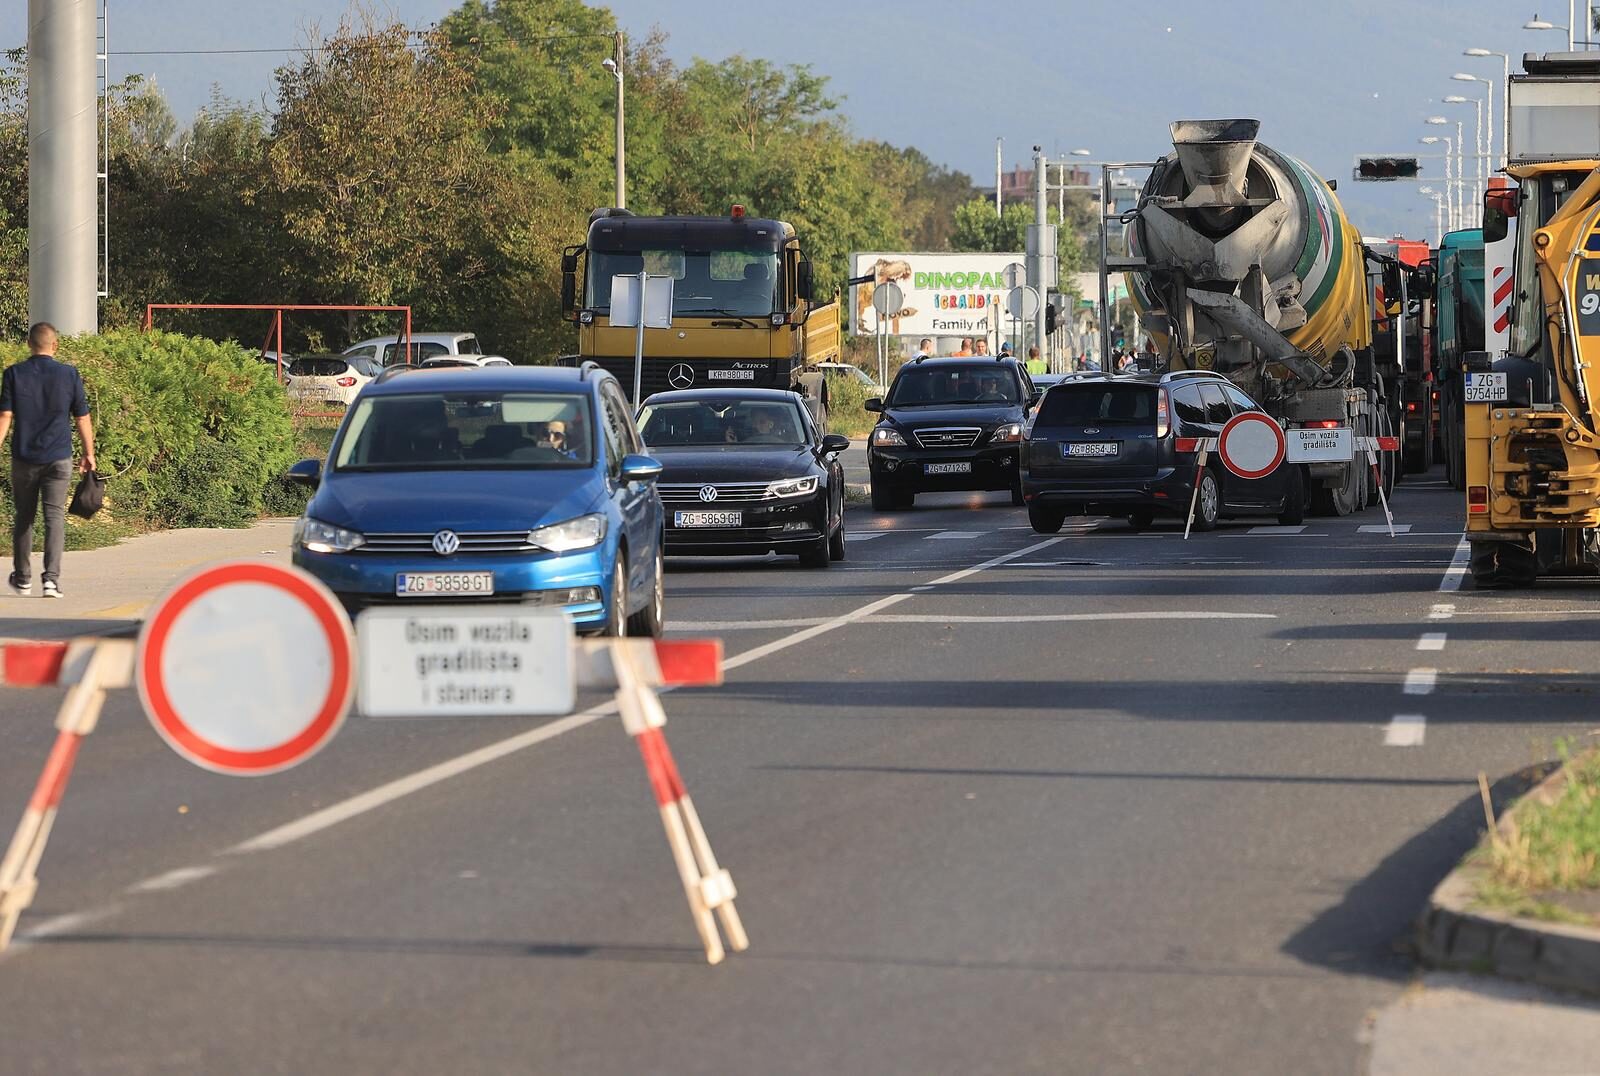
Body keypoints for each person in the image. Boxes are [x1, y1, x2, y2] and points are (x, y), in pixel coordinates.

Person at [0, 323, 95, 598]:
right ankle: (51, 580)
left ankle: (22, 578)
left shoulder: (14, 374)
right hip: (59, 457)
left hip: (24, 457)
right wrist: (89, 453)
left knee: (24, 517)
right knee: (54, 517)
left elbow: (5, 417)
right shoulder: (69, 374)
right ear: (55, 346)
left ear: (29, 344)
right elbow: (82, 417)